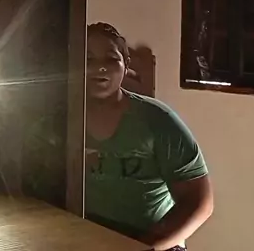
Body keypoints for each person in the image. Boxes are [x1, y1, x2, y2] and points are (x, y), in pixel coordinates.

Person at [86, 22, 213, 250]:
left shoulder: (158, 120)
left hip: (154, 243)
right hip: (86, 238)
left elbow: (199, 201)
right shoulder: (60, 118)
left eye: (111, 58)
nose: (100, 67)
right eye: (88, 59)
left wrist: (143, 246)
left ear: (126, 65)